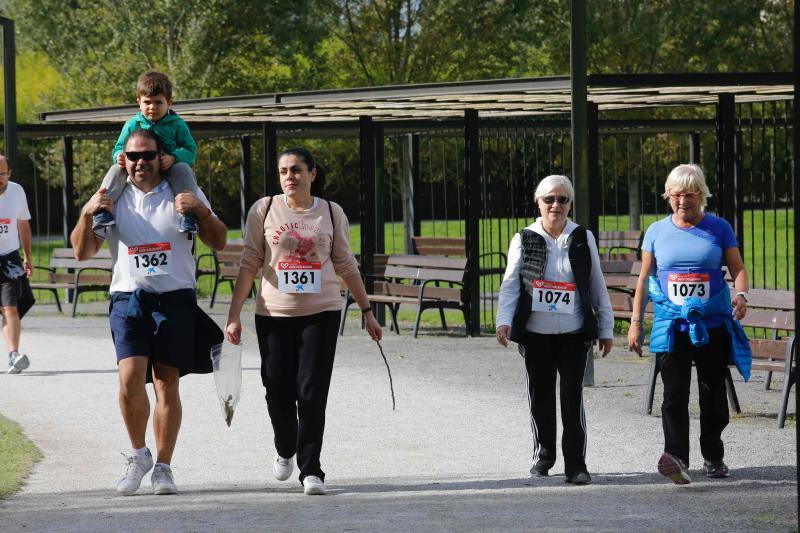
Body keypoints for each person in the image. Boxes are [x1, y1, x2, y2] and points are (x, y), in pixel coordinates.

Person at [70, 128, 227, 496]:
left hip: (174, 298)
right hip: (129, 298)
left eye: (148, 155)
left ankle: (163, 467)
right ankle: (139, 454)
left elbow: (219, 240)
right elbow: (82, 252)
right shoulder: (114, 196)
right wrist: (86, 212)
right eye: (133, 156)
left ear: (161, 157)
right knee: (129, 379)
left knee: (166, 381)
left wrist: (200, 210)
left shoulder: (180, 190)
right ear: (123, 159)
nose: (141, 162)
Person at [225, 146, 382, 496]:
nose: (289, 177)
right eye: (283, 171)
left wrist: (367, 310)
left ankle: (311, 469)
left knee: (311, 391)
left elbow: (344, 262)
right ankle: (286, 446)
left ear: (312, 174)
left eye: (296, 170)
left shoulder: (330, 211)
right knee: (277, 389)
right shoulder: (264, 209)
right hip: (273, 314)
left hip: (322, 312)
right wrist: (234, 315)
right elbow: (250, 261)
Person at [627, 164, 751, 485]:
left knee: (712, 392)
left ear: (701, 195)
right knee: (674, 393)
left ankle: (713, 455)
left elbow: (738, 269)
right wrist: (636, 322)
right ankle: (676, 457)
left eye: (690, 194)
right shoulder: (656, 231)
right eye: (677, 194)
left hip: (711, 324)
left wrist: (741, 295)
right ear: (668, 196)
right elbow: (644, 280)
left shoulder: (719, 228)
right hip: (672, 325)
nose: (683, 201)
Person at [495, 174, 613, 486]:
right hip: (535, 334)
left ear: (570, 204)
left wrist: (606, 327)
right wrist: (503, 321)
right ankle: (543, 455)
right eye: (549, 199)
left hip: (574, 334)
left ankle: (575, 464)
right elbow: (510, 285)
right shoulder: (524, 238)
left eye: (562, 199)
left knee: (572, 397)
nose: (555, 205)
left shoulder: (582, 237)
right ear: (538, 202)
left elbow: (596, 284)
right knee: (540, 396)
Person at [93, 70, 202, 234]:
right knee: (116, 169)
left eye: (158, 102)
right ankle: (102, 211)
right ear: (139, 102)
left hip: (169, 168)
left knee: (183, 169)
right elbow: (118, 147)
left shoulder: (177, 124)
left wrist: (174, 157)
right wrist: (119, 157)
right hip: (141, 169)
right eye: (147, 102)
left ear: (169, 103)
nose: (152, 107)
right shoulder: (132, 124)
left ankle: (189, 215)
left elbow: (190, 150)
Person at [0, 156, 33, 374]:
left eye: (2, 174)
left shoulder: (16, 191)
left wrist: (27, 255)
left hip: (8, 259)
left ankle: (13, 355)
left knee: (10, 307)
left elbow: (23, 225)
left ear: (9, 173)